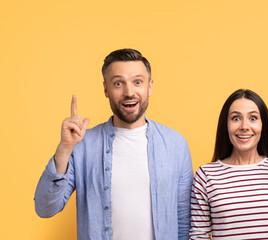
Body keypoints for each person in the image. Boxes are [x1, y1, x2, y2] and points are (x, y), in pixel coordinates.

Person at [34, 49, 193, 240]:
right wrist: (65, 149)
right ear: (106, 89)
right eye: (118, 83)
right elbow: (45, 208)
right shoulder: (83, 146)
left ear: (149, 87)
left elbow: (184, 222)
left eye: (137, 82)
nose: (129, 92)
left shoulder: (176, 145)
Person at [190, 89, 268, 239]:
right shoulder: (206, 175)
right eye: (236, 118)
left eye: (253, 118)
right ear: (225, 125)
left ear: (263, 125)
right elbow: (198, 236)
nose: (244, 126)